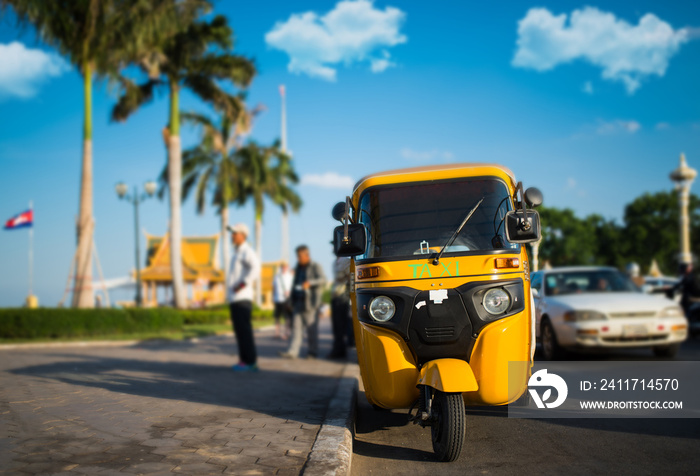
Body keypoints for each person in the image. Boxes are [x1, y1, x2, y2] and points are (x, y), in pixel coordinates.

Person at [280, 245, 326, 359]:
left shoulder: (315, 266)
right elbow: (294, 286)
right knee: (295, 329)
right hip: (297, 302)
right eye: (297, 256)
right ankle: (292, 352)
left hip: (310, 303)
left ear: (307, 255)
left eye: (300, 256)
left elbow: (323, 279)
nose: (298, 258)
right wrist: (290, 301)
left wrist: (310, 282)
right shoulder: (298, 268)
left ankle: (312, 352)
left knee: (311, 330)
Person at [227, 223, 261, 372]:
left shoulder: (247, 251)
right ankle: (244, 360)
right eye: (232, 233)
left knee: (244, 331)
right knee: (240, 331)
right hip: (235, 298)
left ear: (243, 235)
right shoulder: (237, 252)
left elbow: (256, 268)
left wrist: (242, 284)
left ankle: (250, 362)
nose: (232, 235)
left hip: (242, 298)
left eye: (235, 233)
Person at [328, 255, 351, 359]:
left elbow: (351, 276)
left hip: (343, 295)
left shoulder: (346, 261)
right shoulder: (334, 262)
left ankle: (340, 350)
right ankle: (338, 348)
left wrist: (343, 278)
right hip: (335, 295)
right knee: (336, 325)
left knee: (341, 325)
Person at [272, 261, 294, 340]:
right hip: (277, 299)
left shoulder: (290, 276)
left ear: (287, 267)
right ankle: (277, 333)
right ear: (281, 267)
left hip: (286, 299)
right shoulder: (277, 276)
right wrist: (273, 297)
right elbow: (274, 287)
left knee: (286, 317)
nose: (284, 268)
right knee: (277, 317)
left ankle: (286, 333)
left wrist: (289, 292)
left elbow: (293, 287)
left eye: (285, 266)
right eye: (283, 266)